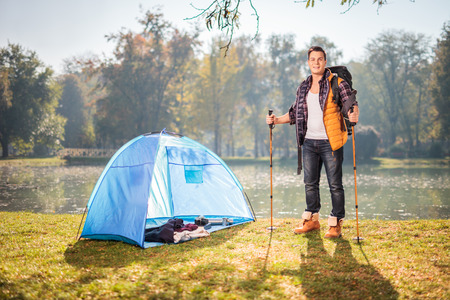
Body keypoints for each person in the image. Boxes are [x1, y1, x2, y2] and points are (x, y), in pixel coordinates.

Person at [266, 46, 359, 238]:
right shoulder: (304, 86)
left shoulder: (337, 82)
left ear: (325, 62)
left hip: (331, 142)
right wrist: (276, 120)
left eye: (320, 59)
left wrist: (354, 113)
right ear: (308, 62)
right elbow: (294, 113)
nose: (316, 62)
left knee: (335, 185)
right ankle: (312, 220)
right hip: (308, 142)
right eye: (312, 59)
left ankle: (335, 223)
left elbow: (350, 102)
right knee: (310, 183)